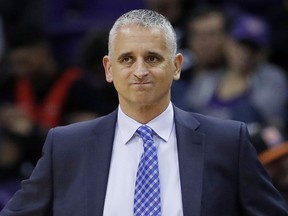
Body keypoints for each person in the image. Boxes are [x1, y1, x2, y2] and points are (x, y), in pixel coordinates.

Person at [1, 9, 288, 216]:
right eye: (127, 59)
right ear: (109, 69)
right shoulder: (66, 145)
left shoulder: (227, 141)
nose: (140, 71)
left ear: (176, 66)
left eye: (152, 58)